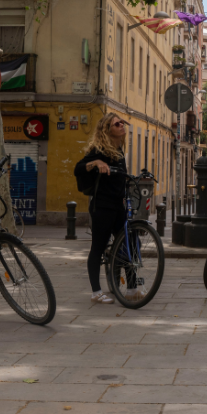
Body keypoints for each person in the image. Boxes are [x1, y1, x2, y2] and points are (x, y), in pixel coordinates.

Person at [74, 113, 132, 304]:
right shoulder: (99, 150)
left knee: (126, 244)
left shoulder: (119, 150)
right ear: (107, 129)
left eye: (122, 122)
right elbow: (78, 168)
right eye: (117, 124)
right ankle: (96, 292)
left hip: (118, 204)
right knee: (97, 247)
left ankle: (131, 288)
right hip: (102, 205)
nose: (121, 125)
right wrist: (96, 163)